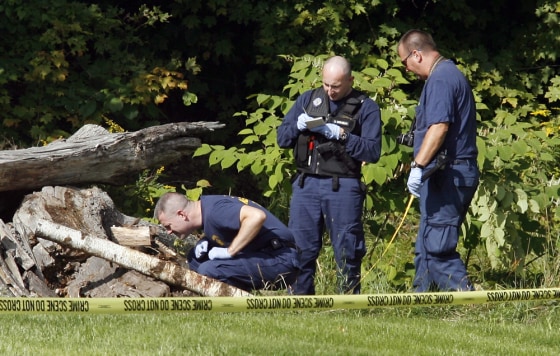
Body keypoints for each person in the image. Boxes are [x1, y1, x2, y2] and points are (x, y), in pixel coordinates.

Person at [277, 56, 382, 295]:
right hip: (306, 185)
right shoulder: (307, 99)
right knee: (300, 248)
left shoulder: (366, 107)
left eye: (336, 86)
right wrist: (298, 126)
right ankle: (300, 301)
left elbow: (373, 151)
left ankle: (348, 302)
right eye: (326, 84)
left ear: (350, 80)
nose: (330, 91)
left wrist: (342, 135)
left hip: (343, 186)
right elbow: (282, 138)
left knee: (348, 248)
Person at [397, 29, 480, 292]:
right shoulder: (446, 74)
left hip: (449, 174)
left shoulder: (441, 79)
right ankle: (419, 303)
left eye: (404, 62)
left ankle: (469, 305)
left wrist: (418, 166)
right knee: (425, 245)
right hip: (444, 175)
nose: (406, 69)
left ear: (416, 54)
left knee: (438, 248)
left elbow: (439, 127)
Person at [153, 192, 301, 292]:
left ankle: (235, 306)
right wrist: (207, 241)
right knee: (195, 259)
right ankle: (239, 300)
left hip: (283, 259)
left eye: (168, 226)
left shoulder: (217, 211)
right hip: (265, 255)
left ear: (181, 214)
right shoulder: (207, 209)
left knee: (209, 270)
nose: (169, 232)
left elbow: (256, 216)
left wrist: (230, 251)